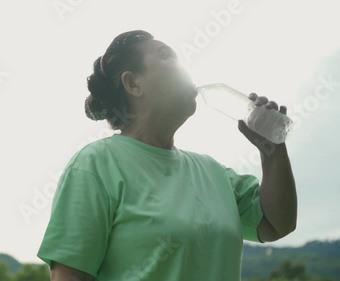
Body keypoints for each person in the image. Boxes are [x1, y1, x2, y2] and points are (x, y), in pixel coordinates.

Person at [37, 30, 297, 281]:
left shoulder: (212, 171)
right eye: (165, 55)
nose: (182, 66)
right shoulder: (96, 164)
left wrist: (272, 151)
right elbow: (70, 276)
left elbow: (276, 224)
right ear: (133, 83)